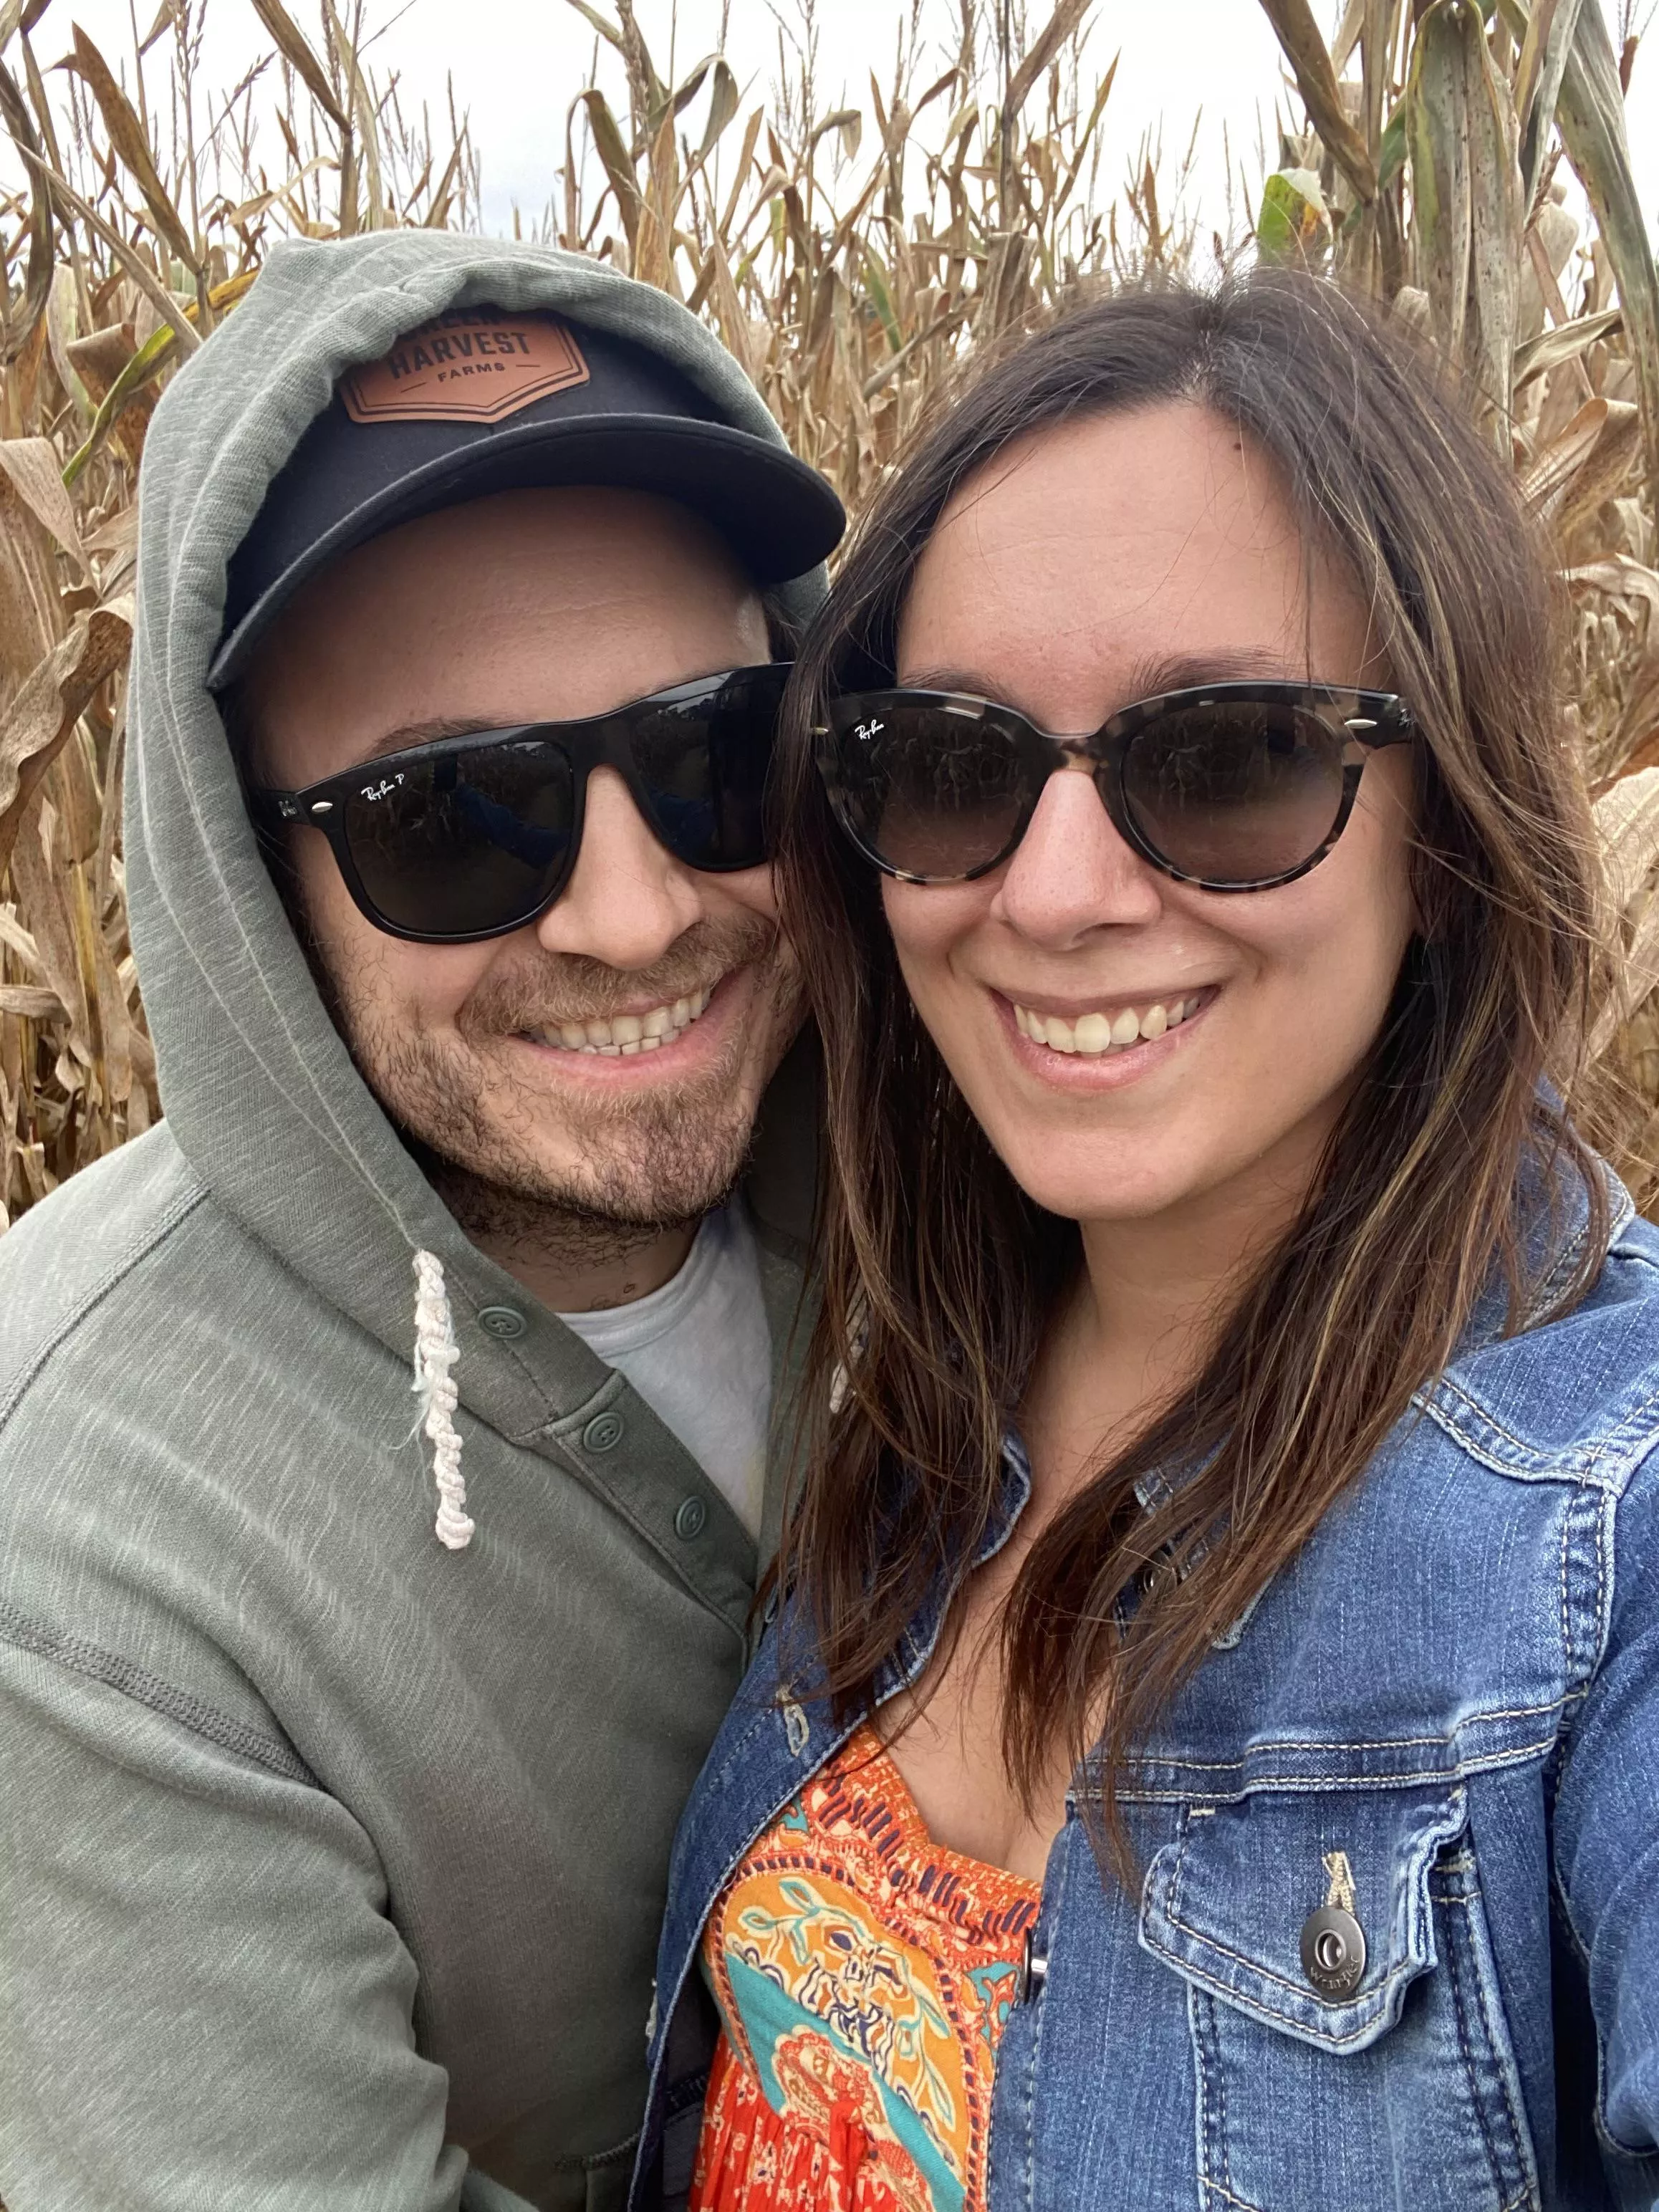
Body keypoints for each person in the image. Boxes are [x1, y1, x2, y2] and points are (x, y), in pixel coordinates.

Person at [631, 274, 1659, 2212]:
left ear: (1441, 837)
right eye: (951, 764)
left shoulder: (1608, 1517)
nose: (1058, 891)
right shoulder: (895, 1394)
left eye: (1225, 759)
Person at [0, 234, 843, 2211]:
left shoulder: (979, 1195)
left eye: (719, 754)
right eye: (453, 819)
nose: (635, 917)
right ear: (247, 876)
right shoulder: (86, 1562)